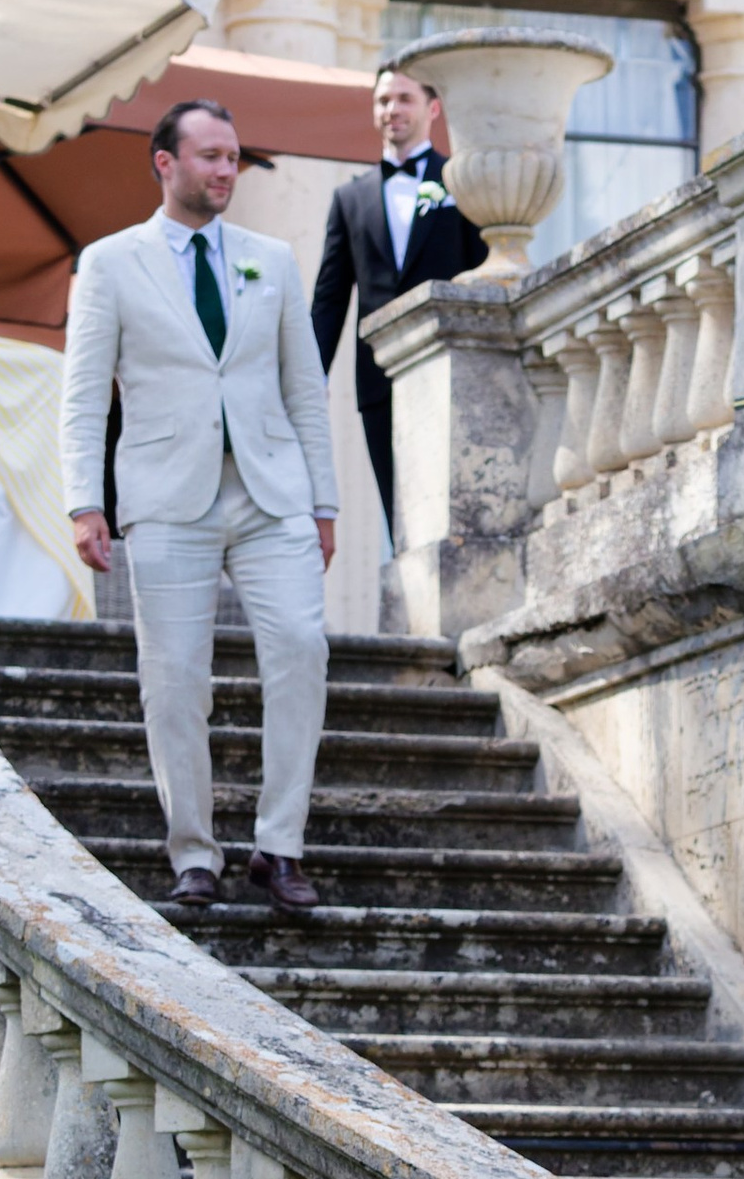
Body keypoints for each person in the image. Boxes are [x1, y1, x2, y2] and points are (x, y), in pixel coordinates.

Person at [62, 96, 337, 913]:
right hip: (165, 496)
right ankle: (194, 852)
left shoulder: (272, 259)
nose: (226, 171)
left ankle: (279, 846)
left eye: (233, 157)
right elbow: (83, 395)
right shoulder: (110, 263)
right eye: (211, 156)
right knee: (175, 679)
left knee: (301, 648)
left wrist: (323, 501)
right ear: (166, 163)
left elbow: (305, 389)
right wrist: (86, 500)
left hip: (271, 492)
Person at [308, 59, 489, 520]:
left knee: (458, 505)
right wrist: (311, 376)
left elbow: (484, 270)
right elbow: (330, 298)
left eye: (404, 98)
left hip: (452, 367)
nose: (392, 109)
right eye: (383, 100)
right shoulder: (349, 199)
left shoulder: (461, 182)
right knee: (399, 513)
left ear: (433, 108)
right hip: (378, 379)